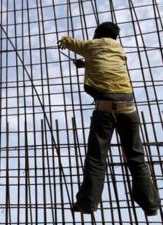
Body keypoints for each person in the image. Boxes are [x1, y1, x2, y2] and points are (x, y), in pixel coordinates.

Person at [58, 22, 161, 216]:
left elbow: (70, 42)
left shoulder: (91, 45)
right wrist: (87, 64)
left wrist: (63, 40)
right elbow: (106, 65)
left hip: (105, 108)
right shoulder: (119, 50)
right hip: (129, 108)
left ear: (97, 34)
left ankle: (87, 203)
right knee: (137, 158)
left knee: (96, 158)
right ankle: (150, 204)